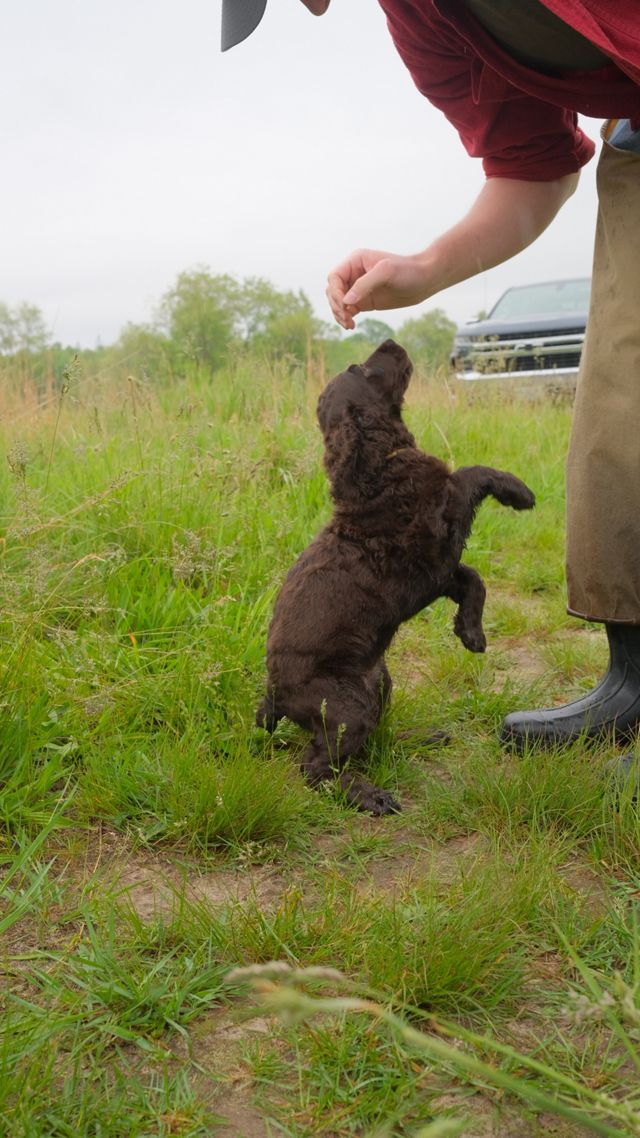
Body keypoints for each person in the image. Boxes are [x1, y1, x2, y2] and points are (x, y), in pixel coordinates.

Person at [222, 0, 640, 764]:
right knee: (622, 414)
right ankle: (635, 679)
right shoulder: (426, 23)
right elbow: (532, 166)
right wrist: (422, 271)